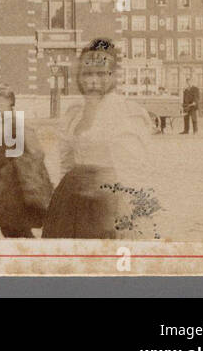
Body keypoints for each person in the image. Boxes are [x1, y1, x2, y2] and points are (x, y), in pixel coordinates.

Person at [43, 39, 153, 239]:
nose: (92, 80)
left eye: (101, 73)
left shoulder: (127, 113)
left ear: (113, 76)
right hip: (69, 201)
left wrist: (127, 217)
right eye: (87, 74)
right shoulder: (74, 114)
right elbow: (66, 162)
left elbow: (135, 171)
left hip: (107, 205)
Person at [0, 86, 53, 238]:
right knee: (7, 227)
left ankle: (32, 257)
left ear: (9, 101)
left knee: (15, 227)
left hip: (16, 185)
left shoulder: (18, 124)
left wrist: (13, 169)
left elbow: (36, 153)